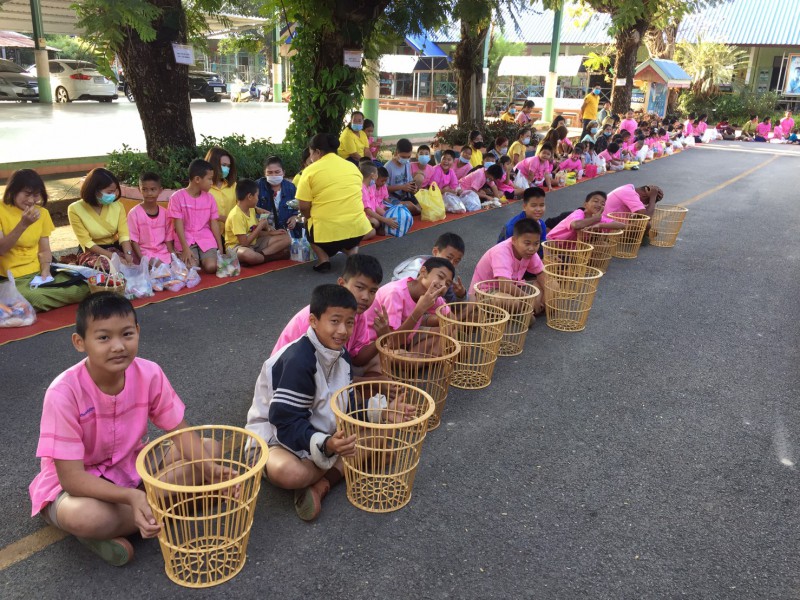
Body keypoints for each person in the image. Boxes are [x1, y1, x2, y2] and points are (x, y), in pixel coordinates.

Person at [29, 293, 234, 565]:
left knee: (210, 450)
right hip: (79, 487)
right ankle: (161, 508)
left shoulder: (149, 373)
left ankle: (132, 518)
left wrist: (210, 469)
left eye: (126, 334)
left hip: (130, 467)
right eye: (103, 338)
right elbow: (72, 480)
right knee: (87, 517)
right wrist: (131, 496)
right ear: (80, 342)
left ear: (137, 331)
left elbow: (180, 432)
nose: (118, 346)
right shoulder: (63, 393)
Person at [246, 284, 413, 521]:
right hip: (274, 441)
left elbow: (346, 406)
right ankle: (339, 467)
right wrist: (328, 444)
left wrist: (383, 412)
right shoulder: (298, 360)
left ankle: (322, 483)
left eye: (349, 322)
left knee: (383, 438)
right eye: (335, 321)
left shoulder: (341, 355)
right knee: (291, 473)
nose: (343, 330)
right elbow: (286, 424)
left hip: (319, 435)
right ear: (313, 321)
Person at [271, 255, 385, 371]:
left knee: (379, 358)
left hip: (328, 366)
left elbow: (357, 358)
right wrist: (366, 381)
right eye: (360, 287)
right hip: (289, 371)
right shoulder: (318, 316)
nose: (366, 297)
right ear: (342, 283)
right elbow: (316, 371)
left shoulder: (359, 314)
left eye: (372, 291)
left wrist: (382, 338)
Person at [0, 169, 89, 311]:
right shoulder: (1, 210)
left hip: (37, 274)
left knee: (84, 286)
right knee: (35, 298)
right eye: (27, 194)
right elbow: (2, 249)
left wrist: (45, 272)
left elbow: (45, 250)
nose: (31, 200)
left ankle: (31, 302)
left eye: (36, 195)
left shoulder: (42, 213)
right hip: (10, 278)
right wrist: (23, 224)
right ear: (13, 191)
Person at [296, 133, 373, 273]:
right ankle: (352, 253)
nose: (311, 157)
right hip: (357, 229)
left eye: (311, 153)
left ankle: (323, 260)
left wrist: (309, 218)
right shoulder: (352, 166)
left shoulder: (310, 171)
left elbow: (304, 206)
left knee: (309, 222)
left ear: (317, 152)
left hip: (326, 233)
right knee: (346, 232)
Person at [362, 256, 453, 346]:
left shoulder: (432, 295)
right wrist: (419, 310)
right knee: (406, 353)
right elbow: (392, 343)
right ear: (423, 272)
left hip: (404, 338)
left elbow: (452, 319)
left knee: (448, 331)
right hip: (373, 344)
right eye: (440, 277)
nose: (443, 285)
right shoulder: (395, 293)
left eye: (448, 284)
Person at [469, 218, 546, 314]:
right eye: (527, 243)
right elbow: (505, 286)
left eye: (536, 243)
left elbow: (542, 275)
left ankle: (527, 310)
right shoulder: (501, 251)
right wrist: (530, 299)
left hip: (512, 286)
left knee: (544, 284)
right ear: (514, 240)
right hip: (485, 291)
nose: (532, 248)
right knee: (511, 302)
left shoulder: (529, 252)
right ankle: (526, 311)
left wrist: (548, 296)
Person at [68, 168, 134, 267]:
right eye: (109, 192)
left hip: (114, 247)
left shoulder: (118, 206)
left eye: (115, 191)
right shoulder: (75, 209)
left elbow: (124, 235)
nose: (114, 195)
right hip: (91, 251)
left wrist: (128, 255)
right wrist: (113, 257)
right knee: (105, 267)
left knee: (129, 265)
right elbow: (86, 242)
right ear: (95, 190)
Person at [168, 159, 222, 274]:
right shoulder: (177, 197)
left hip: (205, 238)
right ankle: (196, 258)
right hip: (185, 240)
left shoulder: (210, 198)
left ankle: (203, 258)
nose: (212, 182)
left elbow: (214, 223)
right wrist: (185, 248)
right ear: (197, 179)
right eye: (209, 179)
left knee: (211, 267)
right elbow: (178, 224)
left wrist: (220, 248)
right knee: (191, 268)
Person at [225, 178, 291, 265]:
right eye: (257, 196)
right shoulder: (236, 215)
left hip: (254, 243)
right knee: (247, 254)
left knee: (286, 238)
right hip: (238, 247)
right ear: (249, 197)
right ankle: (269, 257)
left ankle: (260, 257)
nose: (258, 199)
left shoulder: (251, 209)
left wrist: (271, 233)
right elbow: (244, 243)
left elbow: (254, 232)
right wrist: (260, 226)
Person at [391, 232, 467, 304]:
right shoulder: (414, 272)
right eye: (448, 257)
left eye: (456, 261)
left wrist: (461, 295)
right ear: (435, 252)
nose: (451, 263)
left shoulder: (447, 275)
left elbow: (452, 304)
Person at [127, 172, 174, 266]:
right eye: (145, 189)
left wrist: (174, 256)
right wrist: (142, 260)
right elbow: (133, 240)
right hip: (143, 253)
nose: (149, 193)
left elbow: (168, 238)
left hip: (163, 253)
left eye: (153, 189)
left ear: (160, 190)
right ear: (139, 189)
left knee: (181, 267)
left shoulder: (165, 213)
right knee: (160, 266)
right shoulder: (134, 213)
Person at [547, 190, 625, 241]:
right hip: (551, 243)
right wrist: (595, 219)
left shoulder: (599, 218)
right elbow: (576, 225)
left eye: (602, 203)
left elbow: (621, 225)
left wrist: (600, 225)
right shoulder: (578, 213)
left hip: (569, 249)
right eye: (596, 201)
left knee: (602, 245)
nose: (599, 205)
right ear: (585, 204)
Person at [256, 156, 300, 237]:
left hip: (285, 230)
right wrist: (265, 225)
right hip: (264, 231)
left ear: (283, 172)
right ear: (265, 173)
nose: (274, 175)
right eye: (270, 172)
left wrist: (294, 217)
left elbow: (296, 207)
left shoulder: (290, 188)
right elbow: (253, 209)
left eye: (277, 172)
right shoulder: (258, 186)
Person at [497, 186, 547, 255]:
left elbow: (542, 248)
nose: (538, 209)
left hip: (529, 257)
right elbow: (507, 252)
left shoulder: (541, 224)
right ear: (524, 207)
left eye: (541, 205)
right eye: (534, 205)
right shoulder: (513, 226)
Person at [360, 164, 398, 239]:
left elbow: (376, 206)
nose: (377, 176)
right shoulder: (362, 188)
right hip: (363, 217)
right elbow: (367, 210)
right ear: (372, 175)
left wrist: (389, 215)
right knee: (375, 223)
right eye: (377, 173)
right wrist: (385, 220)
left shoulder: (370, 187)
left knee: (387, 217)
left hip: (370, 215)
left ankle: (379, 226)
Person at [385, 138, 421, 216]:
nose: (406, 159)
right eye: (403, 157)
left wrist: (413, 187)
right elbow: (383, 189)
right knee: (410, 206)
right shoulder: (388, 167)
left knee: (423, 201)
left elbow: (409, 180)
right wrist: (401, 187)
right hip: (392, 199)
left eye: (408, 156)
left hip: (406, 196)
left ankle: (415, 210)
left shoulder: (407, 164)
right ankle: (417, 211)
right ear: (396, 153)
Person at [205, 147, 238, 226]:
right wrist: (219, 217)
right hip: (209, 232)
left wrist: (256, 209)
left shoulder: (233, 185)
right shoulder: (203, 187)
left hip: (231, 231)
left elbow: (242, 205)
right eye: (223, 165)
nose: (226, 169)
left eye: (228, 166)